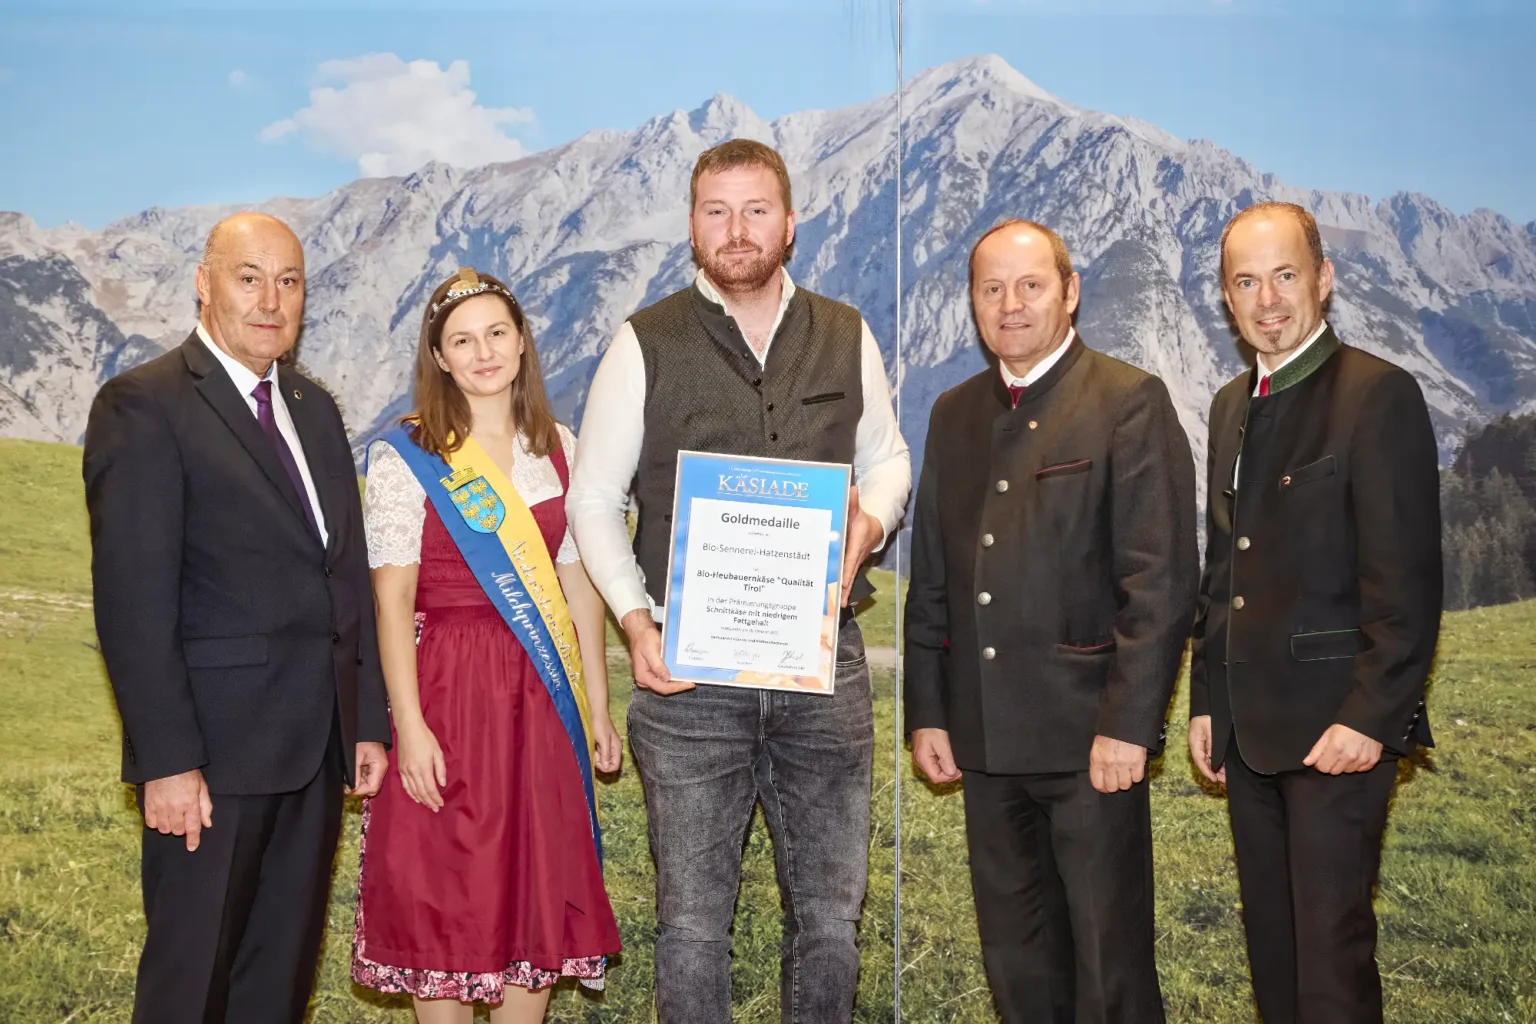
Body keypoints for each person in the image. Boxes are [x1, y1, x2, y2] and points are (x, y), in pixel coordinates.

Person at [567, 138, 910, 1023]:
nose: (737, 230)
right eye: (717, 212)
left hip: (823, 666)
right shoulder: (643, 342)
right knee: (690, 926)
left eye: (756, 210)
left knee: (830, 921)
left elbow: (888, 461)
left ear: (789, 224)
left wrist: (868, 525)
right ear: (692, 227)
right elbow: (593, 499)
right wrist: (636, 624)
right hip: (688, 676)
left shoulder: (846, 332)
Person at [82, 212, 390, 1023]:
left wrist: (366, 721)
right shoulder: (144, 405)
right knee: (190, 990)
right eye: (249, 278)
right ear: (204, 283)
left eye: (289, 282)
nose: (270, 301)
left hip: (314, 755)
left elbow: (344, 575)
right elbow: (133, 604)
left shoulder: (314, 409)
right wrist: (167, 763)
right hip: (210, 766)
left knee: (276, 989)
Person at [904, 219, 1197, 1024]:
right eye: (992, 289)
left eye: (1030, 286)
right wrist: (928, 713)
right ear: (972, 303)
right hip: (984, 741)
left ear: (1070, 292)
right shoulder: (954, 414)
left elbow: (1161, 581)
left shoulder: (1128, 400)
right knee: (1018, 968)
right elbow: (932, 578)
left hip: (1090, 744)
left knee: (1110, 972)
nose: (1011, 304)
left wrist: (1129, 726)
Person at [1188, 202, 1441, 1024]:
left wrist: (1371, 718)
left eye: (1285, 275)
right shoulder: (1229, 406)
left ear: (1324, 279)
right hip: (1247, 735)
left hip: (1339, 732)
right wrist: (1206, 702)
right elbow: (1223, 569)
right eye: (1246, 282)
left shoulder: (1379, 394)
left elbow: (1406, 586)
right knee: (1273, 954)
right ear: (1227, 298)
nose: (1267, 300)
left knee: (1331, 964)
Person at [350, 267, 622, 1023]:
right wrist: (408, 728)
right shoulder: (408, 453)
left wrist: (598, 707)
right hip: (448, 690)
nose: (484, 353)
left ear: (523, 340)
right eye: (463, 341)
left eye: (497, 333)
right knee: (446, 891)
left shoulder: (561, 448)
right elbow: (391, 599)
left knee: (535, 883)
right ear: (439, 357)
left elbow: (577, 586)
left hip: (542, 697)